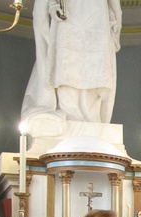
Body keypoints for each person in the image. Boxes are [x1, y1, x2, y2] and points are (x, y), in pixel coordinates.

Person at [21, 0, 122, 136]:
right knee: (67, 65)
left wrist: (116, 17)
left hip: (97, 10)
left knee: (95, 66)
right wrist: (53, 4)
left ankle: (90, 117)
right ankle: (69, 114)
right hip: (68, 11)